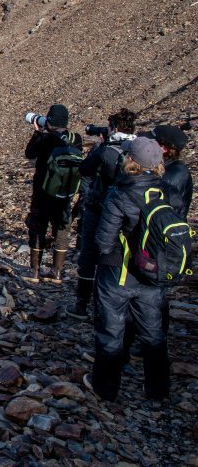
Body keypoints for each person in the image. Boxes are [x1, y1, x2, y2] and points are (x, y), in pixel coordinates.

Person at [88, 137, 169, 402]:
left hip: (119, 272)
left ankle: (105, 387)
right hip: (153, 274)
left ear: (131, 162)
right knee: (153, 332)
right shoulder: (169, 192)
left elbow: (103, 240)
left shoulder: (121, 193)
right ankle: (157, 390)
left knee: (111, 330)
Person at [71, 109, 137, 318]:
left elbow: (85, 169)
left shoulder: (105, 150)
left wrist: (101, 146)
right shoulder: (140, 149)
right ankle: (116, 305)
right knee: (118, 254)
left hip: (100, 208)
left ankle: (82, 304)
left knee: (90, 253)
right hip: (130, 211)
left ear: (114, 128)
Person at [25, 104, 83, 283]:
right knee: (62, 230)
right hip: (65, 193)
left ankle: (35, 272)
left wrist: (38, 132)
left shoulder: (45, 138)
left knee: (38, 228)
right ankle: (57, 273)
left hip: (42, 192)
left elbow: (29, 154)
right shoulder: (76, 138)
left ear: (49, 120)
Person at [146, 124, 193, 216]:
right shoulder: (160, 165)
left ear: (164, 149)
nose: (146, 145)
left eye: (151, 141)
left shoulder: (174, 173)